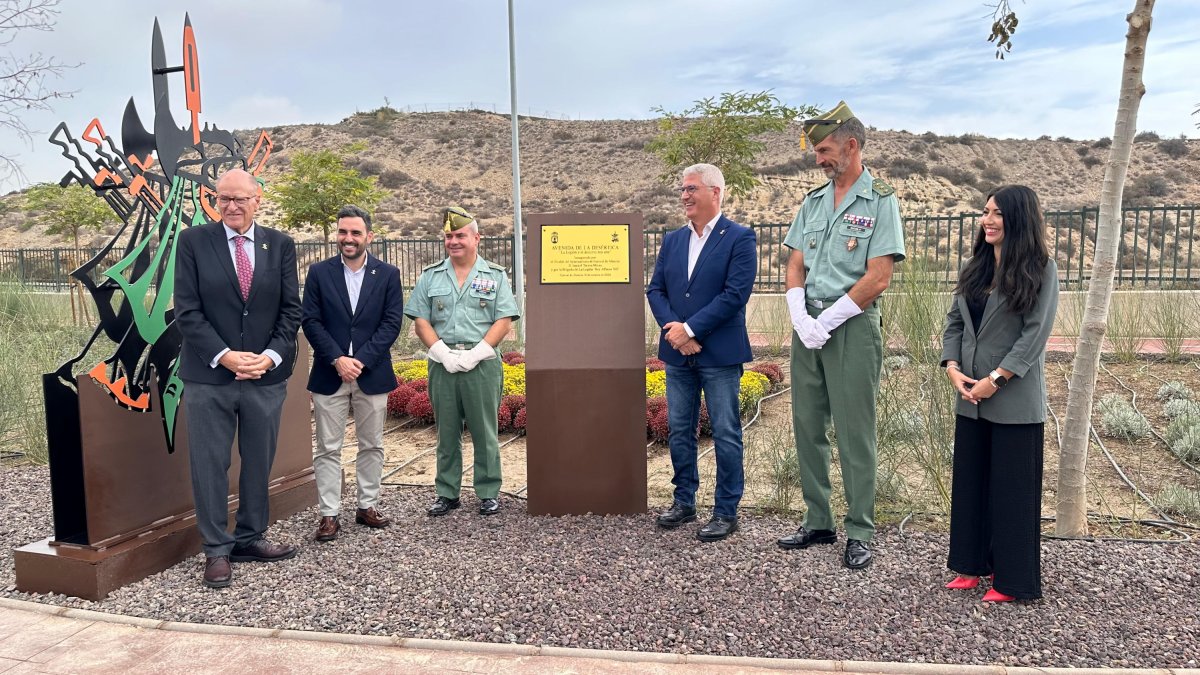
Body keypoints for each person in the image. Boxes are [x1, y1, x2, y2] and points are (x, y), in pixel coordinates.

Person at [776, 101, 905, 569]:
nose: (819, 158)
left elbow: (879, 276)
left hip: (850, 326)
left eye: (826, 149)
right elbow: (794, 262)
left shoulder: (880, 200)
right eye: (816, 151)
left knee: (854, 433)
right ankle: (818, 521)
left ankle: (860, 530)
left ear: (852, 146)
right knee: (808, 427)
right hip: (806, 327)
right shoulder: (812, 202)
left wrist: (825, 321)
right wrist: (799, 315)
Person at [174, 168, 302, 588]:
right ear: (215, 201)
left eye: (239, 199)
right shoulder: (193, 242)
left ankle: (249, 537)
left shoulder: (280, 245)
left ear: (257, 199)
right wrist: (225, 356)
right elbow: (187, 311)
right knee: (210, 464)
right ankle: (215, 549)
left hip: (264, 378)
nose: (231, 206)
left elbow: (290, 311)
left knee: (258, 459)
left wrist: (267, 357)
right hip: (210, 377)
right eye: (223, 198)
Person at [941, 184, 1058, 602]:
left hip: (1012, 400)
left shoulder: (1042, 269)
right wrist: (953, 369)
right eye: (985, 211)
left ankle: (1013, 581)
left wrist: (997, 378)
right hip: (969, 397)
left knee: (1012, 492)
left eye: (998, 213)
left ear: (1019, 218)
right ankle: (971, 566)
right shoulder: (975, 268)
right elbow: (954, 323)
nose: (987, 220)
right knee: (971, 485)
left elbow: (1034, 335)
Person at [646, 163, 757, 542]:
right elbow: (655, 291)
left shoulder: (739, 238)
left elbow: (735, 294)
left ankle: (726, 511)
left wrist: (691, 330)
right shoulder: (673, 240)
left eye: (691, 188)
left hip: (720, 355)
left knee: (725, 432)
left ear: (715, 192)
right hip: (678, 355)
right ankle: (684, 501)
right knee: (680, 429)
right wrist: (676, 333)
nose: (684, 195)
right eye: (682, 189)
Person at [404, 206, 519, 517]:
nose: (454, 241)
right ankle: (447, 492)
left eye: (460, 235)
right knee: (447, 432)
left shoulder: (494, 275)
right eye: (448, 236)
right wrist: (442, 353)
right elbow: (421, 321)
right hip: (443, 363)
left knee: (485, 430)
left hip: (481, 363)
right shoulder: (431, 276)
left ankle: (487, 491)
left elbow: (504, 319)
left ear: (476, 238)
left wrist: (476, 353)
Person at [301, 205, 405, 542]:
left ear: (369, 237)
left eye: (355, 233)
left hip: (371, 373)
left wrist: (359, 360)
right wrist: (337, 359)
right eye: (343, 232)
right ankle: (329, 514)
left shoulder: (388, 274)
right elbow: (311, 321)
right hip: (329, 373)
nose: (348, 238)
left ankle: (367, 506)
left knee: (372, 444)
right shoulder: (319, 273)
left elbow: (392, 323)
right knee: (328, 448)